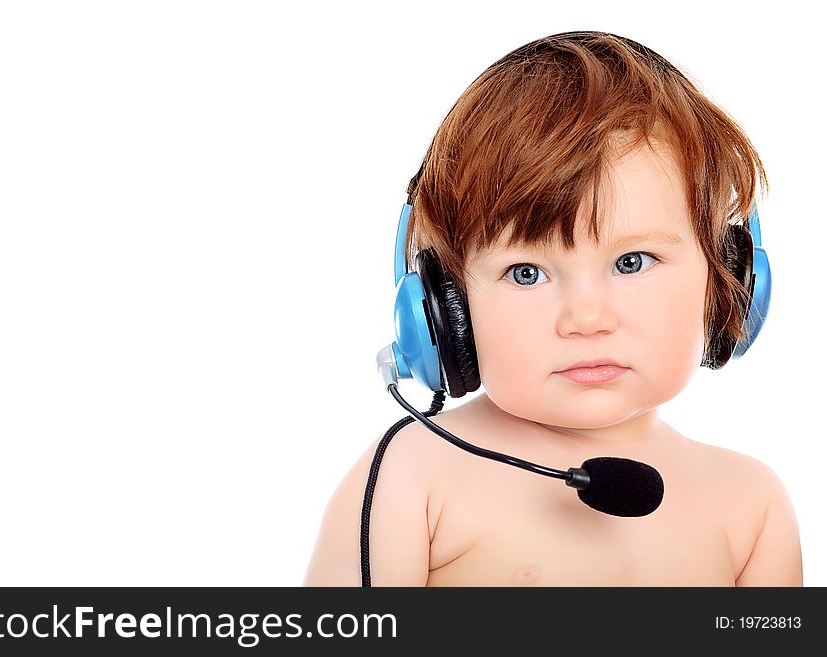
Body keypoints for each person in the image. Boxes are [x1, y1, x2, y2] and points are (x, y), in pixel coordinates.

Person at [303, 31, 803, 586]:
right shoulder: (414, 477)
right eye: (527, 274)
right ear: (449, 311)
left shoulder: (749, 507)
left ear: (724, 279)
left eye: (633, 262)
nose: (586, 319)